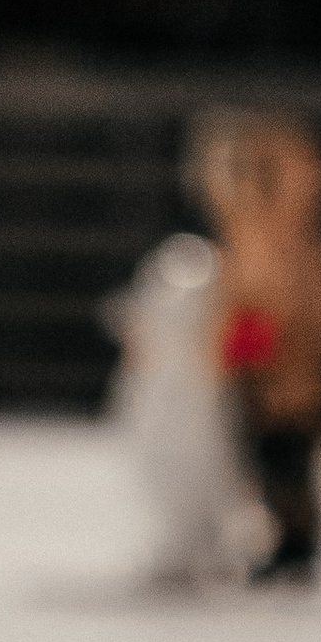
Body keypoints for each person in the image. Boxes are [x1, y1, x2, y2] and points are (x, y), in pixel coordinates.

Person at [185, 110, 321, 582]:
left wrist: (244, 365)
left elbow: (260, 309)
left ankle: (296, 546)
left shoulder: (268, 241)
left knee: (284, 463)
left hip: (283, 378)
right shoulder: (301, 241)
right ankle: (293, 542)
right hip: (298, 374)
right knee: (287, 462)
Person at [101, 228, 251, 587]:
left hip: (190, 402)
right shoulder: (180, 300)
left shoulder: (188, 298)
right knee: (179, 473)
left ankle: (199, 544)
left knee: (200, 471)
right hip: (175, 401)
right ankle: (188, 543)